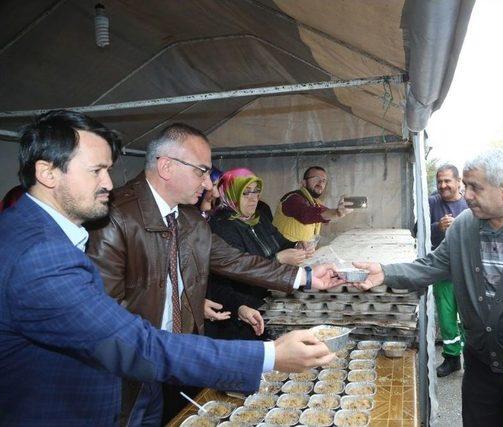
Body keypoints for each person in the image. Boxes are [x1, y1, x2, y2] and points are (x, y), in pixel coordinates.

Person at [0, 110, 336, 426]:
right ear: (47, 173)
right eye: (96, 170)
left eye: (108, 170)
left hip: (155, 370)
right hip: (100, 391)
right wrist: (269, 355)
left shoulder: (183, 218)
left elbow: (229, 260)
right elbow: (125, 339)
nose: (108, 182)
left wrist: (304, 276)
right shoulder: (41, 253)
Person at [352, 149, 503, 427]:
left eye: (475, 187)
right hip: (482, 366)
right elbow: (431, 265)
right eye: (466, 185)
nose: (466, 194)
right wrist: (386, 272)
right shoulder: (462, 228)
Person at [206, 168, 308, 340]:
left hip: (270, 300)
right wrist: (278, 259)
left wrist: (297, 245)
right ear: (231, 194)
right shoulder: (221, 227)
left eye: (256, 192)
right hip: (243, 312)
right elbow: (232, 273)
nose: (254, 198)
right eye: (246, 193)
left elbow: (279, 241)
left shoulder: (258, 219)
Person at [428, 164, 468, 377]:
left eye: (447, 181)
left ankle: (473, 359)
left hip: (467, 271)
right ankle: (452, 358)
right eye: (439, 181)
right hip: (442, 271)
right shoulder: (432, 202)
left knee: (471, 317)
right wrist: (437, 227)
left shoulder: (469, 203)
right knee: (446, 317)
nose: (443, 185)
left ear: (458, 181)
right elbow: (416, 229)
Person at [272, 166, 352, 242]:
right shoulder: (292, 199)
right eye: (316, 178)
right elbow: (306, 214)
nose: (320, 182)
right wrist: (337, 212)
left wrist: (340, 211)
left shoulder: (314, 202)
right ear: (303, 183)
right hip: (283, 253)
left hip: (299, 253)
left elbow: (324, 213)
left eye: (324, 180)